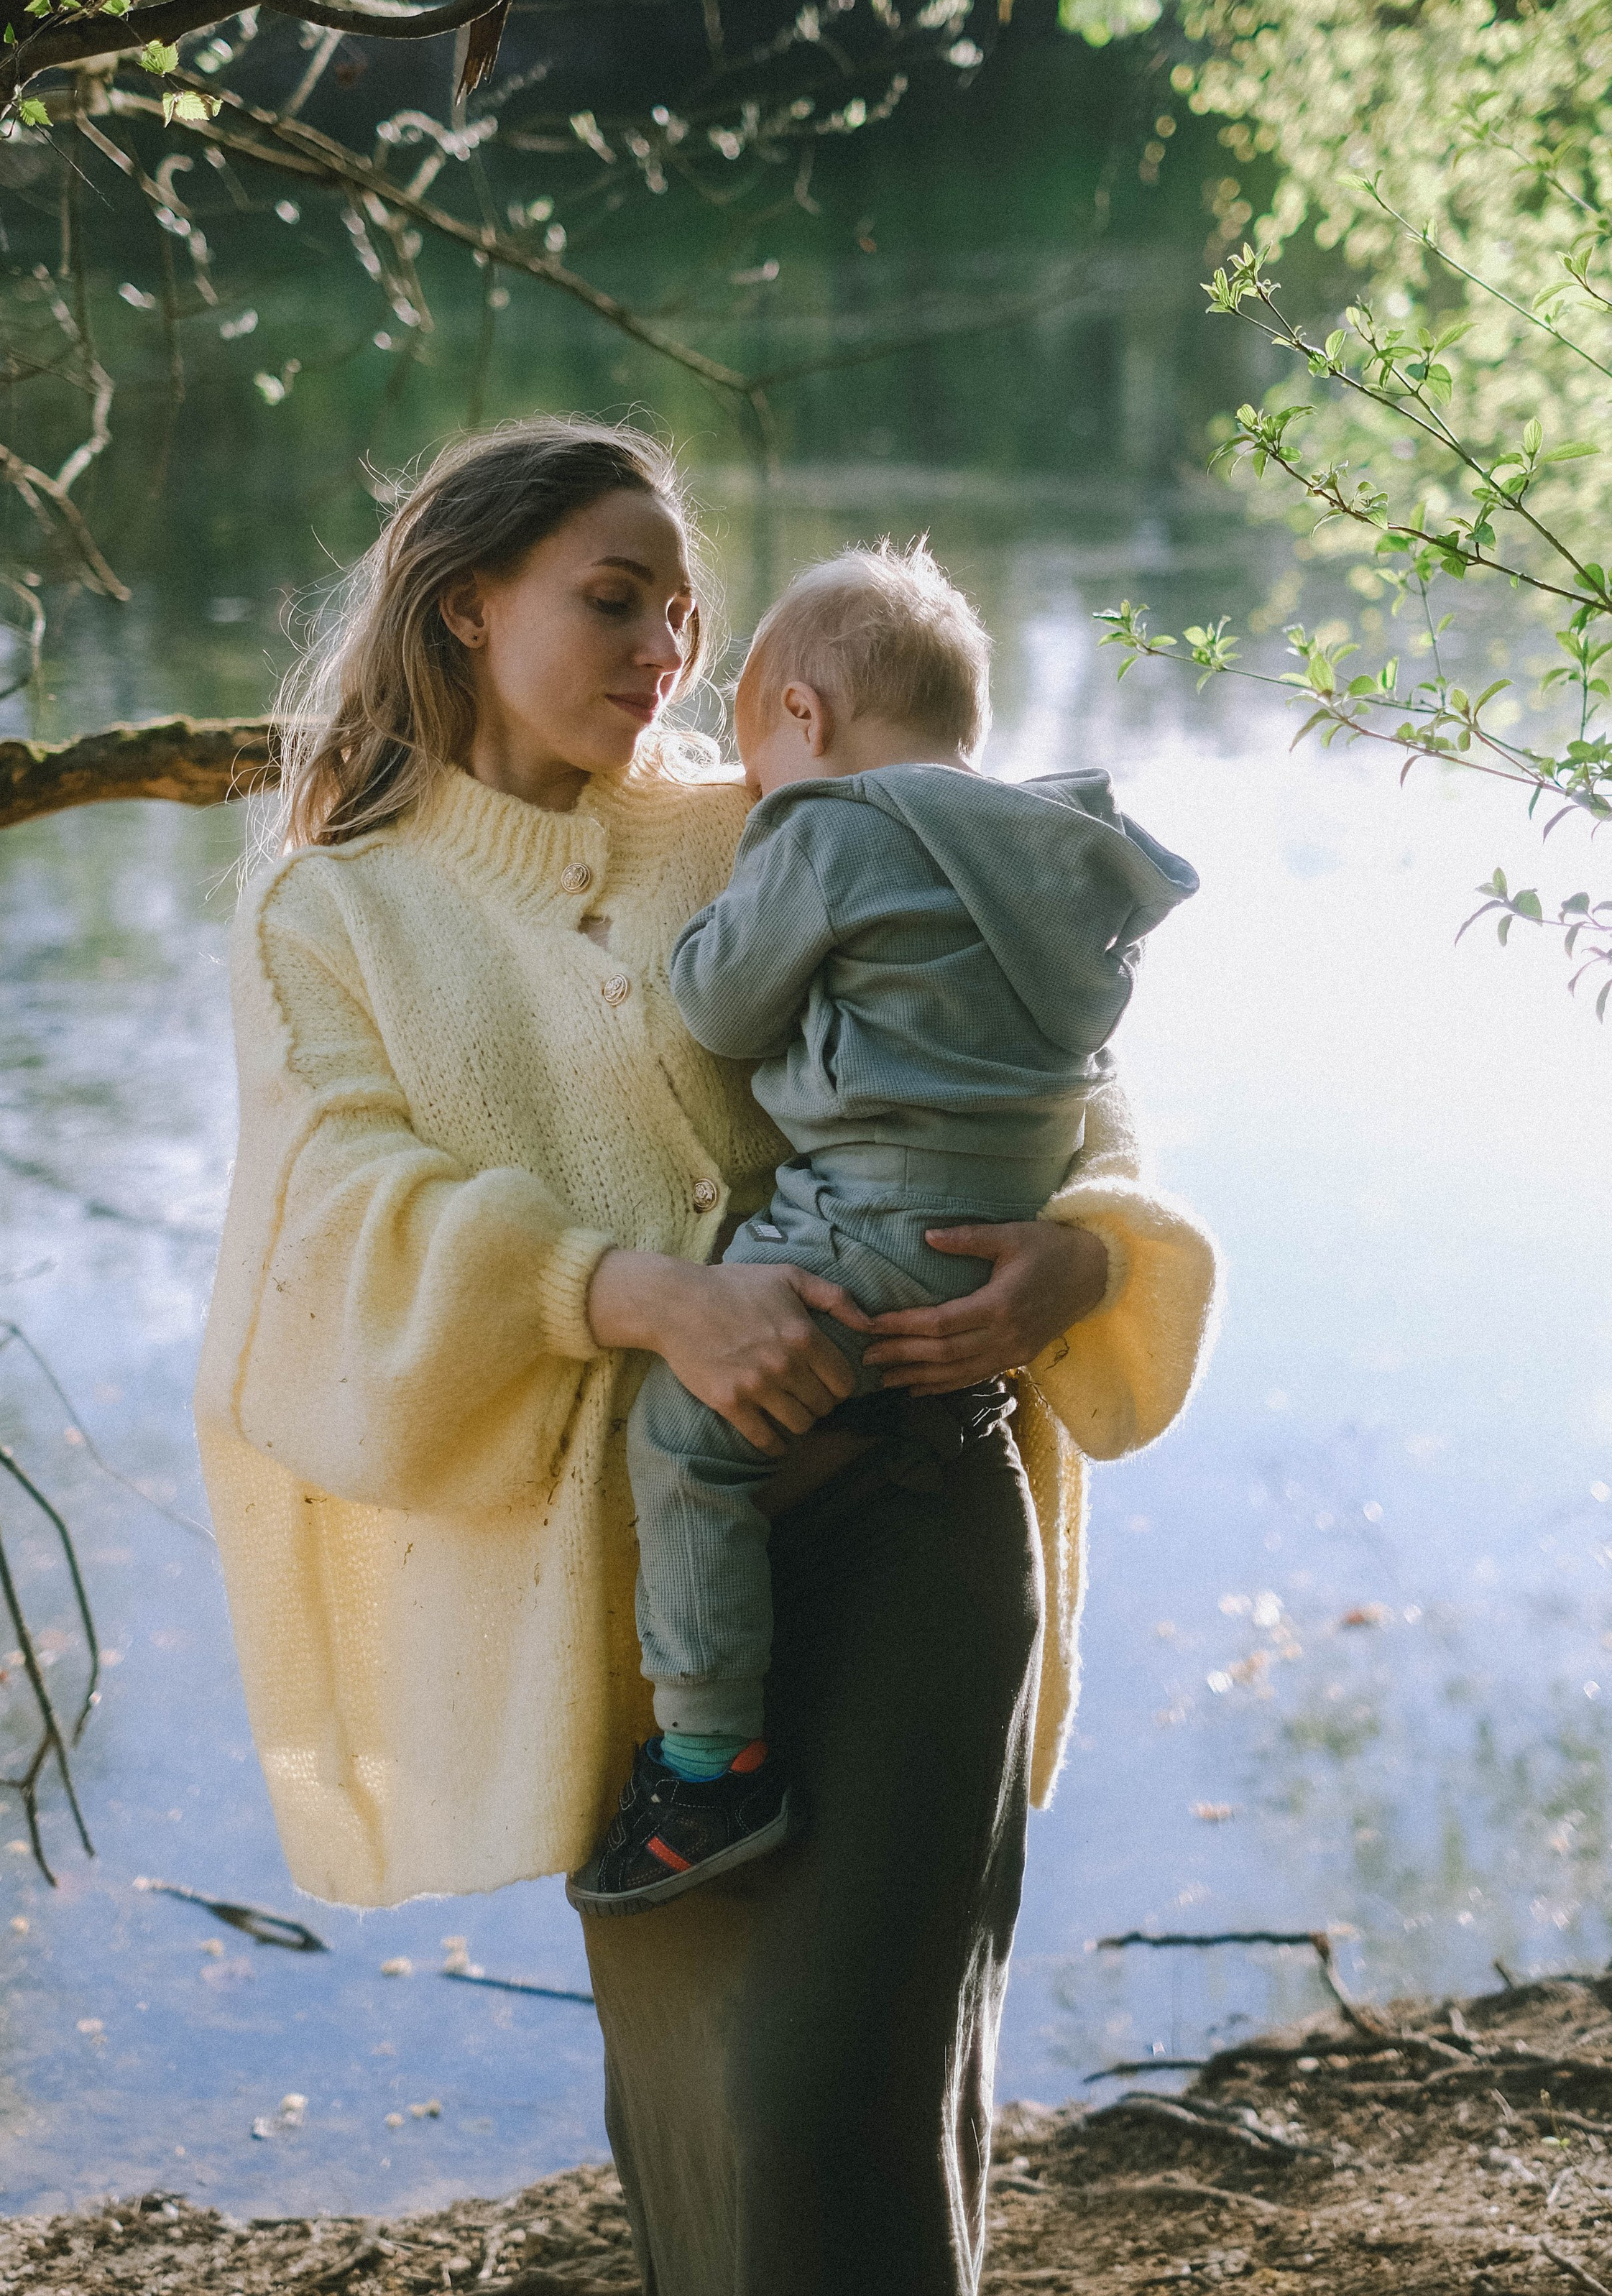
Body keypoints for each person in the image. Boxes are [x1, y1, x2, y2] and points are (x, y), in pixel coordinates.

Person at [193, 417, 1220, 2296]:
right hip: (641, 1629)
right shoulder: (327, 908)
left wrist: (1085, 1256)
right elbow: (326, 1229)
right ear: (463, 601)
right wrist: (639, 1295)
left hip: (915, 1526)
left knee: (842, 2117)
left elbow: (1049, 1058)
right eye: (613, 599)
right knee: (710, 2127)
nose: (667, 645)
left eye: (683, 609)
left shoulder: (764, 814)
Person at [567, 540, 1199, 1914]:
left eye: (755, 764)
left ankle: (710, 1763)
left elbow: (723, 1010)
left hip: (867, 1228)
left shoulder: (831, 831)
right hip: (1008, 1230)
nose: (756, 796)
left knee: (681, 1439)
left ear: (804, 718)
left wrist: (724, 896)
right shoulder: (1065, 860)